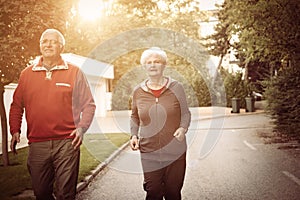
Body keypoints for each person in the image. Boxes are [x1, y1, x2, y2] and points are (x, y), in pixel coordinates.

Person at [9, 28, 96, 200]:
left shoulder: (75, 72)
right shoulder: (26, 74)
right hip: (37, 144)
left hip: (66, 142)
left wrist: (81, 128)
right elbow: (17, 105)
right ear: (40, 45)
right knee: (41, 193)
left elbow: (89, 105)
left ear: (61, 47)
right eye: (44, 41)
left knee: (66, 194)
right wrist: (15, 130)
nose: (48, 44)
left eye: (53, 41)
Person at [130, 47, 191, 200]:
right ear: (145, 66)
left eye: (157, 61)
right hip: (149, 150)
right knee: (153, 192)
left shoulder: (177, 87)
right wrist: (133, 135)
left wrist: (183, 128)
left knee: (172, 193)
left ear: (164, 65)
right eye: (149, 62)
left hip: (175, 150)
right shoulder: (138, 91)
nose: (152, 65)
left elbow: (185, 113)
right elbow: (134, 116)